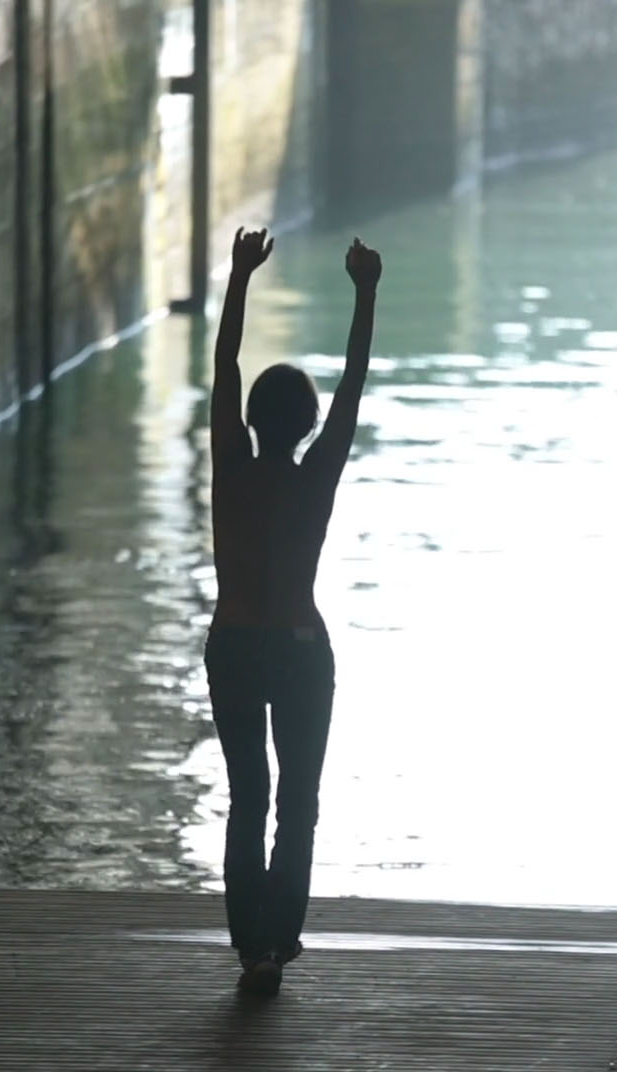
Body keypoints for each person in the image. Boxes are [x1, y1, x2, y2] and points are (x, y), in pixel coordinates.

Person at [205, 227, 381, 996]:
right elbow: (352, 385)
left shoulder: (229, 469)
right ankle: (278, 941)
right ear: (307, 426)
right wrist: (365, 291)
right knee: (297, 803)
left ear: (249, 420)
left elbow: (221, 367)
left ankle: (251, 947)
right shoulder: (316, 480)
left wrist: (241, 277)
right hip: (302, 649)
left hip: (234, 643)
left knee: (247, 796)